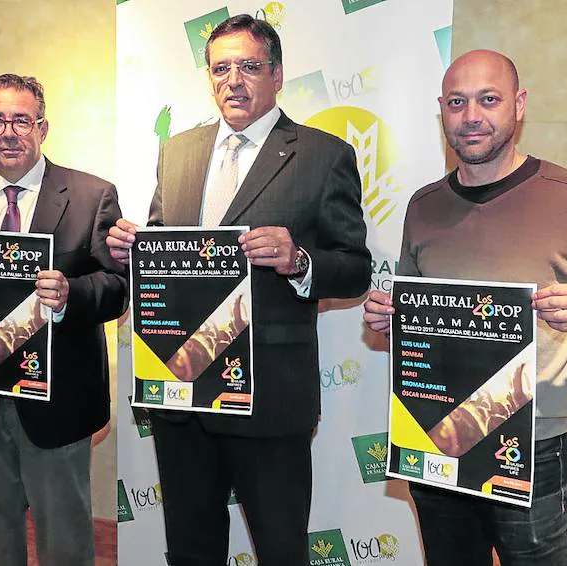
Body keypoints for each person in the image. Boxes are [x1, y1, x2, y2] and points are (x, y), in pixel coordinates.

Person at [363, 50, 567, 565]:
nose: (472, 116)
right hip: (436, 439)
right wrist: (389, 319)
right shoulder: (423, 206)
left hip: (532, 446)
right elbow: (411, 304)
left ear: (518, 105)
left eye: (488, 100)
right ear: (442, 112)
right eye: (457, 103)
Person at [106, 14, 371, 566]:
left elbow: (353, 268)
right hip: (180, 391)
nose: (234, 80)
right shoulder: (177, 151)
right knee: (191, 547)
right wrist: (134, 251)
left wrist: (299, 259)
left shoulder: (324, 156)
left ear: (276, 75)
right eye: (221, 67)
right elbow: (165, 249)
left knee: (279, 549)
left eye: (249, 66)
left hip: (271, 399)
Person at [0, 74, 128, 566]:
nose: (9, 131)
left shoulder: (91, 195)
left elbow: (117, 289)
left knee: (63, 538)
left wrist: (69, 295)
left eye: (21, 119)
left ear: (42, 127)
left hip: (59, 400)